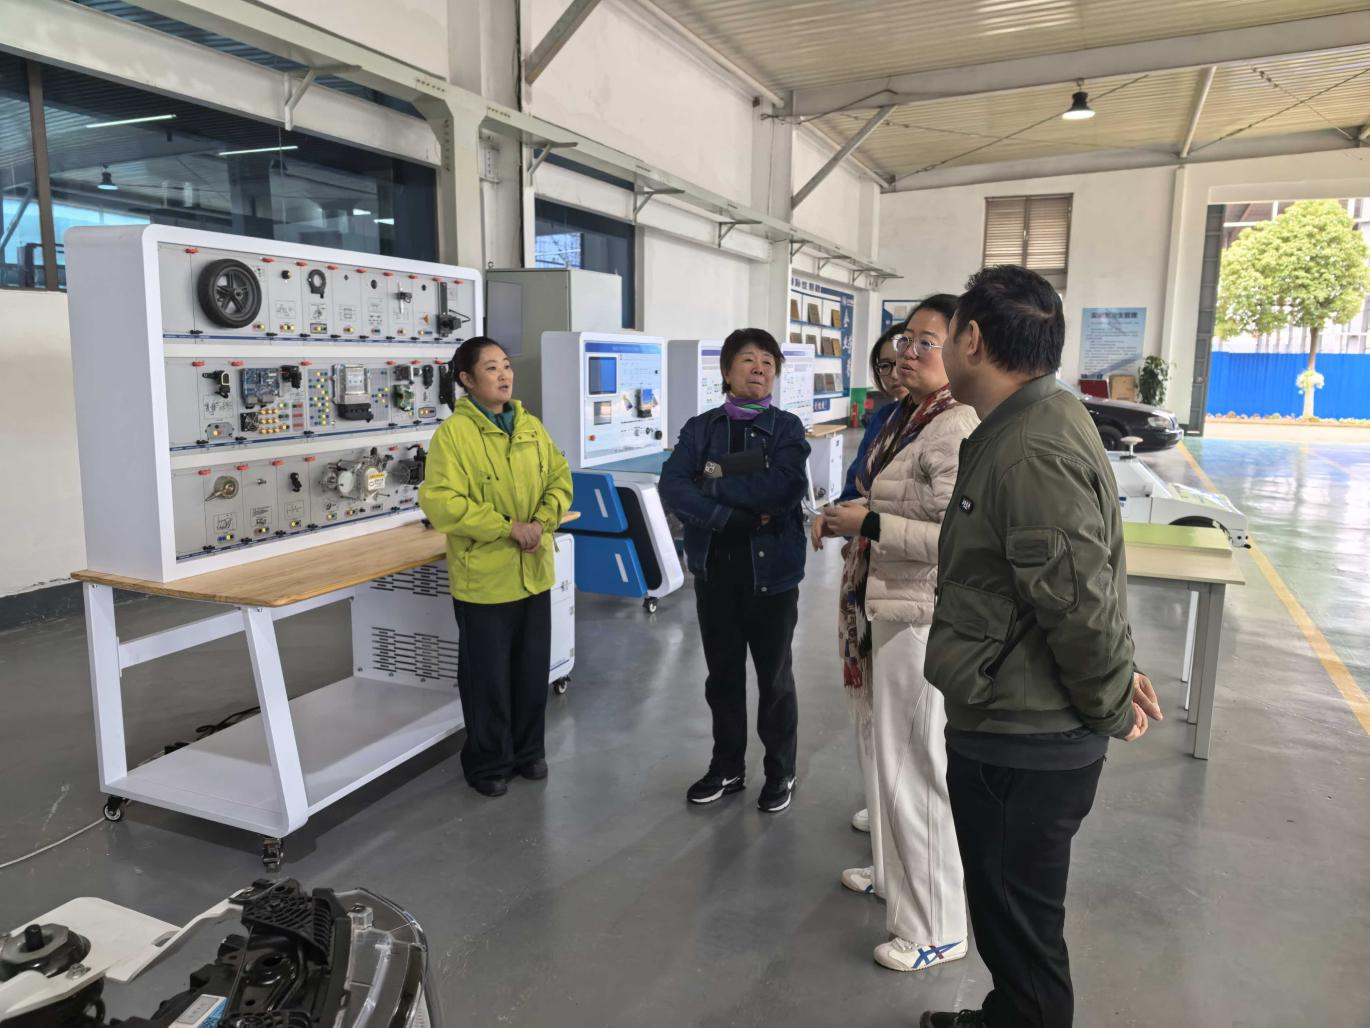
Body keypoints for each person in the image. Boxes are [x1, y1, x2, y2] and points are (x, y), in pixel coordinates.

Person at [917, 267, 1163, 1028]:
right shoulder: (1036, 419)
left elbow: (1079, 607)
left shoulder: (1029, 451)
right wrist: (1118, 678)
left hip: (1024, 739)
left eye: (943, 335)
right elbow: (1073, 582)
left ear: (972, 339)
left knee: (1023, 931)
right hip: (1016, 716)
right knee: (1008, 914)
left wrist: (1112, 702)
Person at [817, 296, 979, 972]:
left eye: (925, 343)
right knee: (888, 760)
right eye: (905, 340)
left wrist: (869, 524)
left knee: (915, 767)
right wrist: (858, 512)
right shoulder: (913, 419)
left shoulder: (956, 425)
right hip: (886, 605)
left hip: (919, 616)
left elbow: (955, 540)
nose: (907, 354)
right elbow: (898, 500)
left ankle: (937, 926)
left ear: (964, 349)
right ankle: (893, 878)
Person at [659, 328, 811, 814]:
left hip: (773, 573)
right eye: (748, 359)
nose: (759, 368)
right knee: (722, 677)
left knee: (775, 679)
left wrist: (711, 480)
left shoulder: (787, 428)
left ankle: (780, 770)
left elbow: (784, 487)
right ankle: (727, 767)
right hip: (716, 570)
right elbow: (673, 486)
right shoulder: (700, 428)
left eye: (768, 361)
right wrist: (729, 516)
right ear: (726, 371)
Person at [418, 335, 573, 798]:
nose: (504, 375)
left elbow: (560, 478)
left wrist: (542, 522)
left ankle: (529, 752)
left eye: (506, 365)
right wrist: (508, 528)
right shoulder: (454, 435)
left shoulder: (530, 426)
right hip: (485, 578)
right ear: (467, 380)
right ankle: (489, 762)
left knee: (531, 670)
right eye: (491, 368)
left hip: (533, 570)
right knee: (487, 677)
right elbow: (442, 502)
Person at [818, 319, 911, 837]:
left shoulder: (946, 423)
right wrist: (841, 513)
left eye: (915, 351)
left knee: (907, 720)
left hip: (908, 585)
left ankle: (897, 832)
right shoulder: (887, 418)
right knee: (875, 705)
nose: (897, 371)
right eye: (885, 364)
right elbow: (860, 480)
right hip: (870, 570)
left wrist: (866, 517)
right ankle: (883, 809)